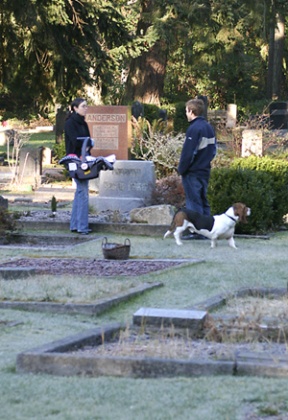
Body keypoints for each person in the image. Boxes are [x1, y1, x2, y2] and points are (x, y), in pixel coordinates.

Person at [177, 98, 217, 238]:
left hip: (192, 172)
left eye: (186, 111)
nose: (186, 114)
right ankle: (208, 230)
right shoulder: (208, 127)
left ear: (191, 111)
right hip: (205, 170)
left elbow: (188, 153)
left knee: (194, 202)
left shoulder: (194, 129)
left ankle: (198, 231)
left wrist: (181, 169)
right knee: (203, 201)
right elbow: (213, 150)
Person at [64, 97, 93, 235]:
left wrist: (87, 148)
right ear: (75, 108)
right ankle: (82, 226)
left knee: (81, 191)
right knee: (82, 191)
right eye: (83, 106)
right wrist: (85, 147)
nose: (86, 108)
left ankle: (75, 225)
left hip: (84, 159)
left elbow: (88, 140)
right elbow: (76, 142)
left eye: (86, 106)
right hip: (75, 161)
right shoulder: (70, 123)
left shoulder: (84, 123)